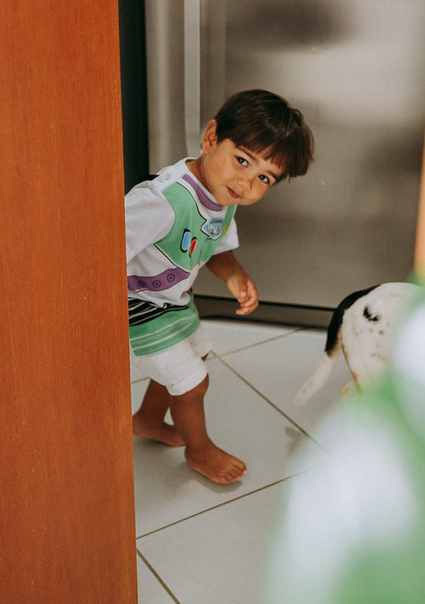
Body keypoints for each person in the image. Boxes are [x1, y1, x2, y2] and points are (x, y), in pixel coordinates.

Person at [126, 89, 314, 484]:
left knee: (196, 356)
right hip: (139, 304)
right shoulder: (162, 201)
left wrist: (234, 275)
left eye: (264, 177)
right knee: (193, 382)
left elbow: (216, 250)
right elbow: (103, 247)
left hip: (174, 300)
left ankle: (146, 419)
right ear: (211, 138)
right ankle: (200, 451)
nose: (246, 182)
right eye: (242, 160)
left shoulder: (222, 197)